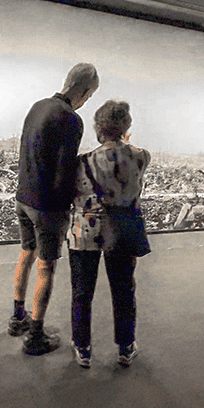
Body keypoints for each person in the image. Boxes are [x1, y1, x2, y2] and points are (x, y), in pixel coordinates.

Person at [9, 63, 99, 356]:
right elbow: (64, 170)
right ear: (84, 91)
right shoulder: (71, 119)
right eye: (89, 96)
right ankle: (36, 336)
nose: (86, 102)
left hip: (23, 195)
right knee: (46, 266)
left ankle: (17, 317)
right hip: (46, 205)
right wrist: (69, 207)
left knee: (26, 254)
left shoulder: (37, 107)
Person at [67, 99, 151, 368]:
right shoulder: (141, 157)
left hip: (85, 231)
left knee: (82, 292)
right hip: (121, 232)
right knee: (123, 290)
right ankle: (126, 347)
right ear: (127, 126)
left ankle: (83, 348)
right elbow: (130, 153)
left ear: (98, 128)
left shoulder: (84, 161)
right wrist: (124, 140)